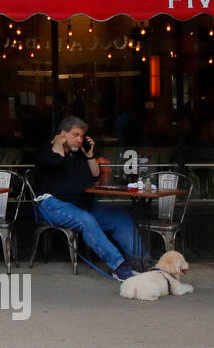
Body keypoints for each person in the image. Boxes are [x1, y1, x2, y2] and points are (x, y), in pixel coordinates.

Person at [34, 116, 142, 280]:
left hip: (80, 204)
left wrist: (89, 155)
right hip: (51, 204)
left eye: (82, 136)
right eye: (75, 135)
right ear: (63, 134)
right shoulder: (46, 150)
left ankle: (141, 262)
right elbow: (56, 163)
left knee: (120, 215)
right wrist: (58, 143)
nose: (79, 139)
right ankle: (118, 266)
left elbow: (94, 175)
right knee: (86, 219)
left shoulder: (77, 155)